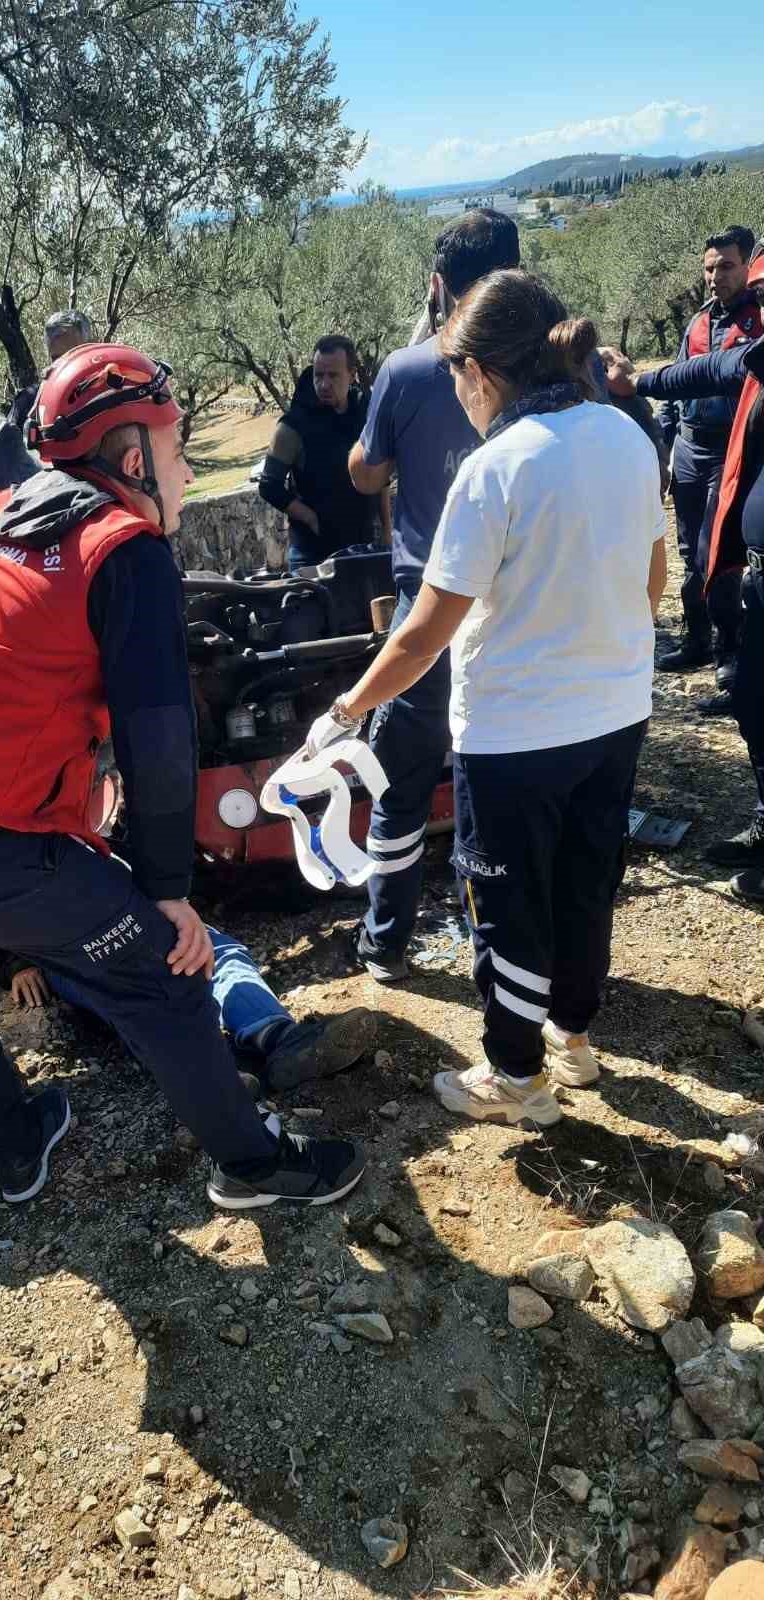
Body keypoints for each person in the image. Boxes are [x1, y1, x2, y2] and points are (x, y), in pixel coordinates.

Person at [0, 341, 366, 1210]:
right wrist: (168, 889)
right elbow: (156, 733)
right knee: (166, 972)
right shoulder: (124, 547)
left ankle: (16, 1145)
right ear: (134, 457)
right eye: (180, 454)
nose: (184, 473)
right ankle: (257, 1167)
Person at [306, 271, 667, 1127]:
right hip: (617, 715)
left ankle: (515, 1077)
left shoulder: (493, 469)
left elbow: (423, 634)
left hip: (514, 736)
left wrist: (346, 710)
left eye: (458, 377)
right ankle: (573, 1041)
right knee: (586, 882)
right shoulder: (624, 437)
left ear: (481, 373)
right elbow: (651, 585)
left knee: (505, 901)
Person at [343, 208, 521, 985]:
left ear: (439, 285)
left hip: (429, 612)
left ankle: (386, 942)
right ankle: (513, 952)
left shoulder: (408, 370)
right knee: (509, 778)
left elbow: (366, 472)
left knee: (400, 775)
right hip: (524, 604)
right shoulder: (556, 371)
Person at [605, 247, 764, 900]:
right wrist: (635, 382)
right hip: (760, 572)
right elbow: (703, 371)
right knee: (754, 699)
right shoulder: (758, 356)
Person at [7, 926, 374, 1091]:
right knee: (129, 987)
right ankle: (216, 1068)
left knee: (217, 952)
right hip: (63, 947)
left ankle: (278, 1039)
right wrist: (13, 963)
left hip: (134, 914)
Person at [656, 227, 762, 712]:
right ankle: (696, 640)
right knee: (686, 548)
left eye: (725, 266)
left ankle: (731, 661)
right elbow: (677, 383)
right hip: (689, 450)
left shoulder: (757, 321)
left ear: (747, 266)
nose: (715, 276)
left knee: (715, 560)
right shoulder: (697, 323)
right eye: (708, 267)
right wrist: (664, 442)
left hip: (730, 452)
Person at [258, 336, 388, 571]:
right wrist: (311, 518)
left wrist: (388, 535)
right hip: (311, 555)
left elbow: (380, 477)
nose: (324, 384)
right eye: (319, 375)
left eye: (333, 375)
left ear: (351, 374)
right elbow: (269, 486)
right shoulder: (293, 426)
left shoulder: (366, 415)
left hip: (363, 548)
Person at [7, 309, 96, 434]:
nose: (65, 364)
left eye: (73, 355)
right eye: (57, 358)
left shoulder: (108, 393)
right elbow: (5, 447)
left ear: (91, 349)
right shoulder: (28, 401)